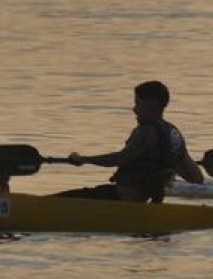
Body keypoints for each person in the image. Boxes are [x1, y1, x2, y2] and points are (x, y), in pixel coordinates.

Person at [64, 80, 204, 202]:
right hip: (146, 203)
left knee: (58, 200)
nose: (134, 109)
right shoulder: (174, 135)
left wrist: (84, 159)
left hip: (122, 199)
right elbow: (197, 179)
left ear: (152, 105)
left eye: (138, 103)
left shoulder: (145, 131)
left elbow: (121, 158)